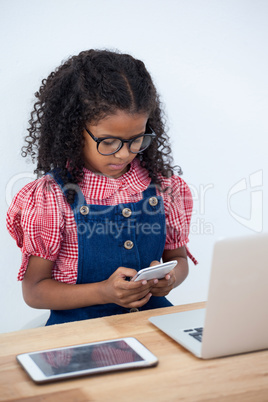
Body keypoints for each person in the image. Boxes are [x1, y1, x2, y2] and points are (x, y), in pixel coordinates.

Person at [7, 49, 197, 326]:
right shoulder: (52, 197)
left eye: (137, 139)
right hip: (79, 335)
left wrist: (168, 279)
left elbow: (178, 259)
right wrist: (103, 292)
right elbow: (35, 291)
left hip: (152, 326)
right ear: (74, 130)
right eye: (108, 142)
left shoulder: (164, 188)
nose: (124, 154)